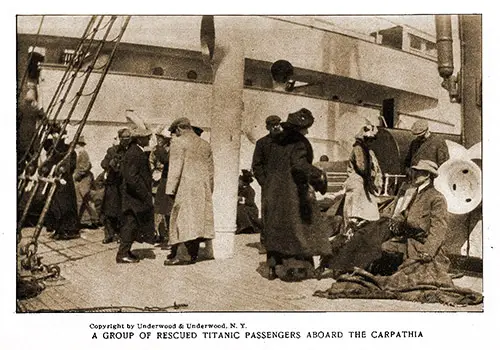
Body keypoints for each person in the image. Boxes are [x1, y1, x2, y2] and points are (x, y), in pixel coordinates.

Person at [263, 108, 330, 281]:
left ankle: (272, 266)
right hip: (292, 192)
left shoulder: (276, 142)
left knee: (276, 228)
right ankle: (298, 269)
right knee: (300, 229)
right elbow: (299, 165)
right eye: (306, 128)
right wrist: (319, 175)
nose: (307, 131)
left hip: (273, 192)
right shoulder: (299, 143)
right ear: (299, 128)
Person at [377, 159, 450, 274]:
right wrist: (394, 221)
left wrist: (428, 252)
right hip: (408, 241)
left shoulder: (436, 198)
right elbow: (406, 215)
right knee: (385, 247)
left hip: (422, 245)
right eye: (414, 171)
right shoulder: (414, 193)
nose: (414, 174)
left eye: (418, 172)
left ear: (427, 175)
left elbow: (439, 228)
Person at [164, 117, 215, 266]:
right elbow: (211, 171)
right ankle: (193, 254)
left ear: (179, 129)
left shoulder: (179, 143)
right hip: (202, 188)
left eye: (174, 132)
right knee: (197, 221)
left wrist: (170, 190)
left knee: (183, 221)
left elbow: (175, 168)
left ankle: (182, 256)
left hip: (185, 187)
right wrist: (209, 189)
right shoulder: (205, 144)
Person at [116, 126, 155, 263]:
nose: (149, 139)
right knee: (130, 224)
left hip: (133, 196)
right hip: (134, 198)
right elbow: (132, 178)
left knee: (131, 224)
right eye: (146, 137)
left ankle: (126, 252)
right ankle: (122, 254)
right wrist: (144, 193)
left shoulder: (134, 151)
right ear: (138, 138)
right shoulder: (135, 153)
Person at [41, 124, 80, 240]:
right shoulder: (52, 149)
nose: (54, 136)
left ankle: (67, 231)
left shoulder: (68, 149)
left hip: (64, 182)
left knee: (65, 206)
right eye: (53, 134)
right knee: (54, 206)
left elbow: (71, 165)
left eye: (56, 134)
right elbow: (46, 149)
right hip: (54, 180)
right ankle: (58, 229)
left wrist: (61, 170)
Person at [343, 123, 383, 233]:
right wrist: (371, 176)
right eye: (368, 139)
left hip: (364, 185)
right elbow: (362, 167)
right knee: (354, 215)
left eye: (372, 139)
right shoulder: (358, 148)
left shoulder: (368, 151)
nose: (370, 142)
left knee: (368, 213)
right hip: (357, 184)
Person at [251, 115, 283, 254]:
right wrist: (264, 182)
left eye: (277, 124)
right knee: (268, 212)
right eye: (272, 124)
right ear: (267, 127)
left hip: (284, 184)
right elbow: (256, 166)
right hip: (269, 184)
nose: (276, 126)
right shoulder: (262, 143)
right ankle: (265, 243)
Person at [100, 128, 131, 244]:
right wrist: (110, 163)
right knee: (109, 210)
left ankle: (120, 234)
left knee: (121, 211)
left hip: (124, 185)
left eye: (128, 138)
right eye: (123, 138)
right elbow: (103, 163)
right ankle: (109, 234)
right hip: (112, 184)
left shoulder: (131, 151)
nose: (126, 140)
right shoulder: (112, 150)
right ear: (119, 138)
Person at [149, 125, 173, 245]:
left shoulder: (171, 149)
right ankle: (157, 233)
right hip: (156, 182)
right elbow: (151, 162)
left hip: (167, 181)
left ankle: (168, 234)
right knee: (157, 209)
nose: (160, 139)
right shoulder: (155, 149)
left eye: (162, 137)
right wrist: (153, 172)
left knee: (168, 210)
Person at [73, 135, 100, 228]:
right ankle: (89, 220)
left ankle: (92, 219)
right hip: (82, 180)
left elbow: (84, 168)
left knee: (82, 200)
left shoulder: (83, 153)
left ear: (78, 144)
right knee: (84, 201)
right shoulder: (80, 153)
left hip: (83, 180)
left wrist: (75, 176)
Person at [236, 169, 262, 234]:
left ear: (244, 182)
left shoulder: (250, 190)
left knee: (241, 209)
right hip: (245, 209)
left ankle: (246, 227)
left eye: (239, 181)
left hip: (251, 209)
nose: (238, 183)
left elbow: (250, 202)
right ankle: (242, 226)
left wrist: (241, 199)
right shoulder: (238, 190)